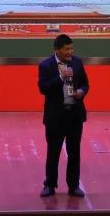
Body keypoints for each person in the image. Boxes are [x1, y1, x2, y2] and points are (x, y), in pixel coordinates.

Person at [38, 34, 89, 197]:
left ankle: (74, 185)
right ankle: (50, 185)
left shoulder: (77, 62)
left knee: (74, 153)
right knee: (53, 153)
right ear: (57, 50)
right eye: (66, 49)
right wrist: (61, 77)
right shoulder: (46, 65)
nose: (70, 52)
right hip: (55, 117)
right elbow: (43, 88)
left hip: (74, 115)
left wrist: (81, 91)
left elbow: (85, 83)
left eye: (71, 48)